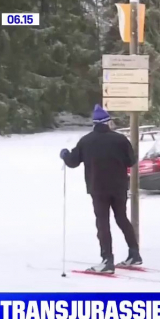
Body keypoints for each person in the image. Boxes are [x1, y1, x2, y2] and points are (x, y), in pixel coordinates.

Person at [59, 104, 140, 273]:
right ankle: (134, 253)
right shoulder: (120, 139)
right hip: (119, 186)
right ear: (107, 122)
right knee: (121, 218)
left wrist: (65, 154)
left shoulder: (86, 141)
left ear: (94, 123)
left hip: (98, 188)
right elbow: (131, 161)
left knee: (102, 223)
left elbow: (73, 162)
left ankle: (107, 260)